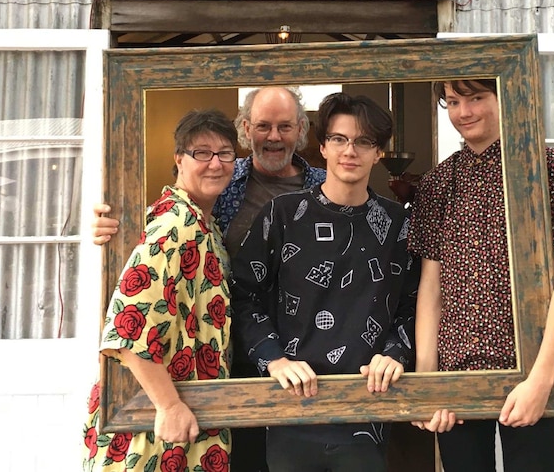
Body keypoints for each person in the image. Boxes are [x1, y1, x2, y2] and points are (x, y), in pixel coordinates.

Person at [91, 86, 326, 472]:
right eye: (202, 154)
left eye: (284, 126)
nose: (273, 136)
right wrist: (115, 225)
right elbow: (128, 323)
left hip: (298, 362)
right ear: (248, 129)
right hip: (193, 385)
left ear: (301, 129)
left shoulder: (321, 186)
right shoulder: (183, 218)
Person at [407, 79, 554, 472]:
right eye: (455, 101)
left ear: (503, 96)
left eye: (477, 98)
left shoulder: (543, 167)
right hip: (456, 375)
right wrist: (427, 382)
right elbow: (431, 292)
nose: (465, 112)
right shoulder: (438, 183)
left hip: (532, 370)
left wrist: (541, 379)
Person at [230, 92, 419, 472]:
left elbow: (414, 304)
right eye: (339, 139)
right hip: (291, 405)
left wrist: (395, 353)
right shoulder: (282, 215)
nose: (350, 150)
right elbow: (243, 295)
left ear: (378, 152)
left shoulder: (399, 224)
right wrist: (274, 359)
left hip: (367, 405)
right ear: (323, 146)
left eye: (363, 141)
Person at [82, 109, 237, 472]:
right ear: (179, 159)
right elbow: (125, 327)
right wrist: (169, 406)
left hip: (187, 412)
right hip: (153, 423)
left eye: (225, 153)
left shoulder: (203, 223)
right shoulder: (176, 224)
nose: (215, 163)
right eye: (202, 152)